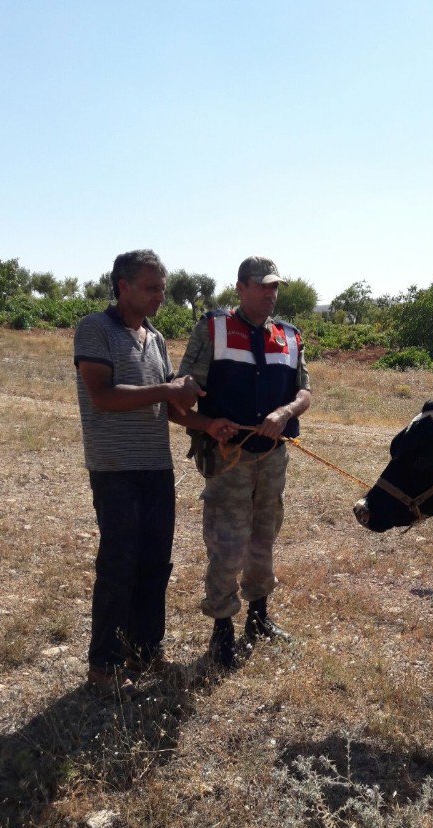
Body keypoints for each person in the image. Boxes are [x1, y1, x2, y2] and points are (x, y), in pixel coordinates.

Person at [74, 249, 232, 695]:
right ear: (123, 287)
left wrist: (205, 423)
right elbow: (103, 395)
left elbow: (168, 407)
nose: (161, 296)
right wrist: (168, 388)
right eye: (152, 288)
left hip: (156, 467)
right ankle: (103, 666)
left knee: (154, 564)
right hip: (116, 469)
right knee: (119, 564)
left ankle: (144, 652)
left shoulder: (155, 338)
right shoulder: (95, 329)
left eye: (163, 287)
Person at [178, 255, 312, 669]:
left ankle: (259, 616)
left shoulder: (289, 336)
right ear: (240, 288)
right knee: (227, 541)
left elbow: (304, 393)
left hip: (272, 458)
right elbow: (185, 390)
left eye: (274, 287)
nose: (270, 294)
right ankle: (222, 629)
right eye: (262, 286)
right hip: (228, 457)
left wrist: (286, 413)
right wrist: (205, 422)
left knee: (264, 535)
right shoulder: (213, 328)